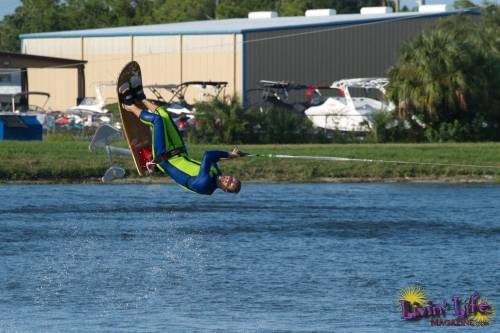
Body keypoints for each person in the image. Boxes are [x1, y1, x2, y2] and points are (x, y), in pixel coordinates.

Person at [119, 79, 242, 195]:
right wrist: (231, 156)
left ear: (225, 189)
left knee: (157, 120)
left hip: (164, 157)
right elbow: (214, 161)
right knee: (165, 115)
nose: (229, 179)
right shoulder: (216, 174)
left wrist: (230, 155)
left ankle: (128, 105)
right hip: (179, 150)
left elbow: (208, 156)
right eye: (232, 179)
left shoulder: (205, 184)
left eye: (229, 183)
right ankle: (141, 97)